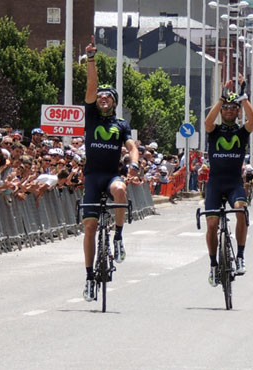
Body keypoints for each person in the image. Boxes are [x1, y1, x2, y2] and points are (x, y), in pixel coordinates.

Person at [82, 36, 139, 302]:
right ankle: (89, 276)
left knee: (119, 188)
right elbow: (91, 88)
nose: (103, 99)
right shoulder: (91, 116)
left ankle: (118, 236)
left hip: (111, 175)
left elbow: (132, 147)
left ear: (114, 103)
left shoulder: (121, 124)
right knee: (90, 227)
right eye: (101, 97)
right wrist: (91, 59)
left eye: (108, 97)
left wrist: (135, 164)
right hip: (92, 177)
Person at [204, 76, 253, 287]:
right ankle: (214, 264)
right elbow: (208, 121)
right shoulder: (214, 131)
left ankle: (241, 256)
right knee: (212, 223)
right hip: (215, 183)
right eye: (226, 108)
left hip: (234, 182)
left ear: (237, 112)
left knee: (241, 211)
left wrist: (243, 97)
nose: (229, 111)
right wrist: (221, 98)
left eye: (233, 108)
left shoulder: (241, 132)